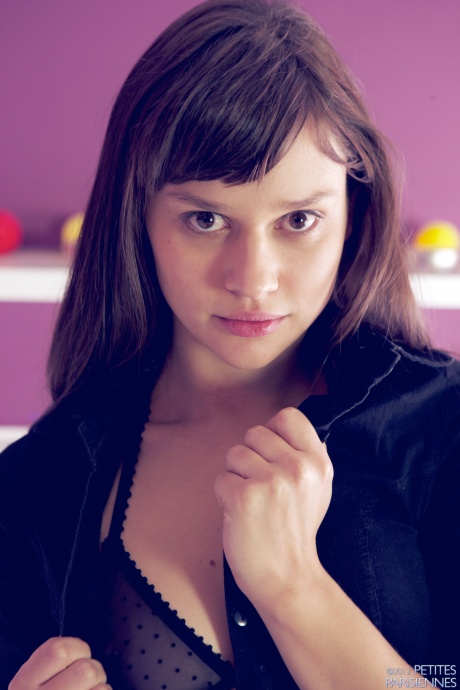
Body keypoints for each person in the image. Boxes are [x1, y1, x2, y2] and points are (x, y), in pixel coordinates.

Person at [1, 0, 459, 688]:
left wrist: (292, 586)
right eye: (206, 219)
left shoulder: (443, 430)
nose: (253, 279)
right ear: (137, 218)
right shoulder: (39, 481)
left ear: (354, 217)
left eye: (298, 220)